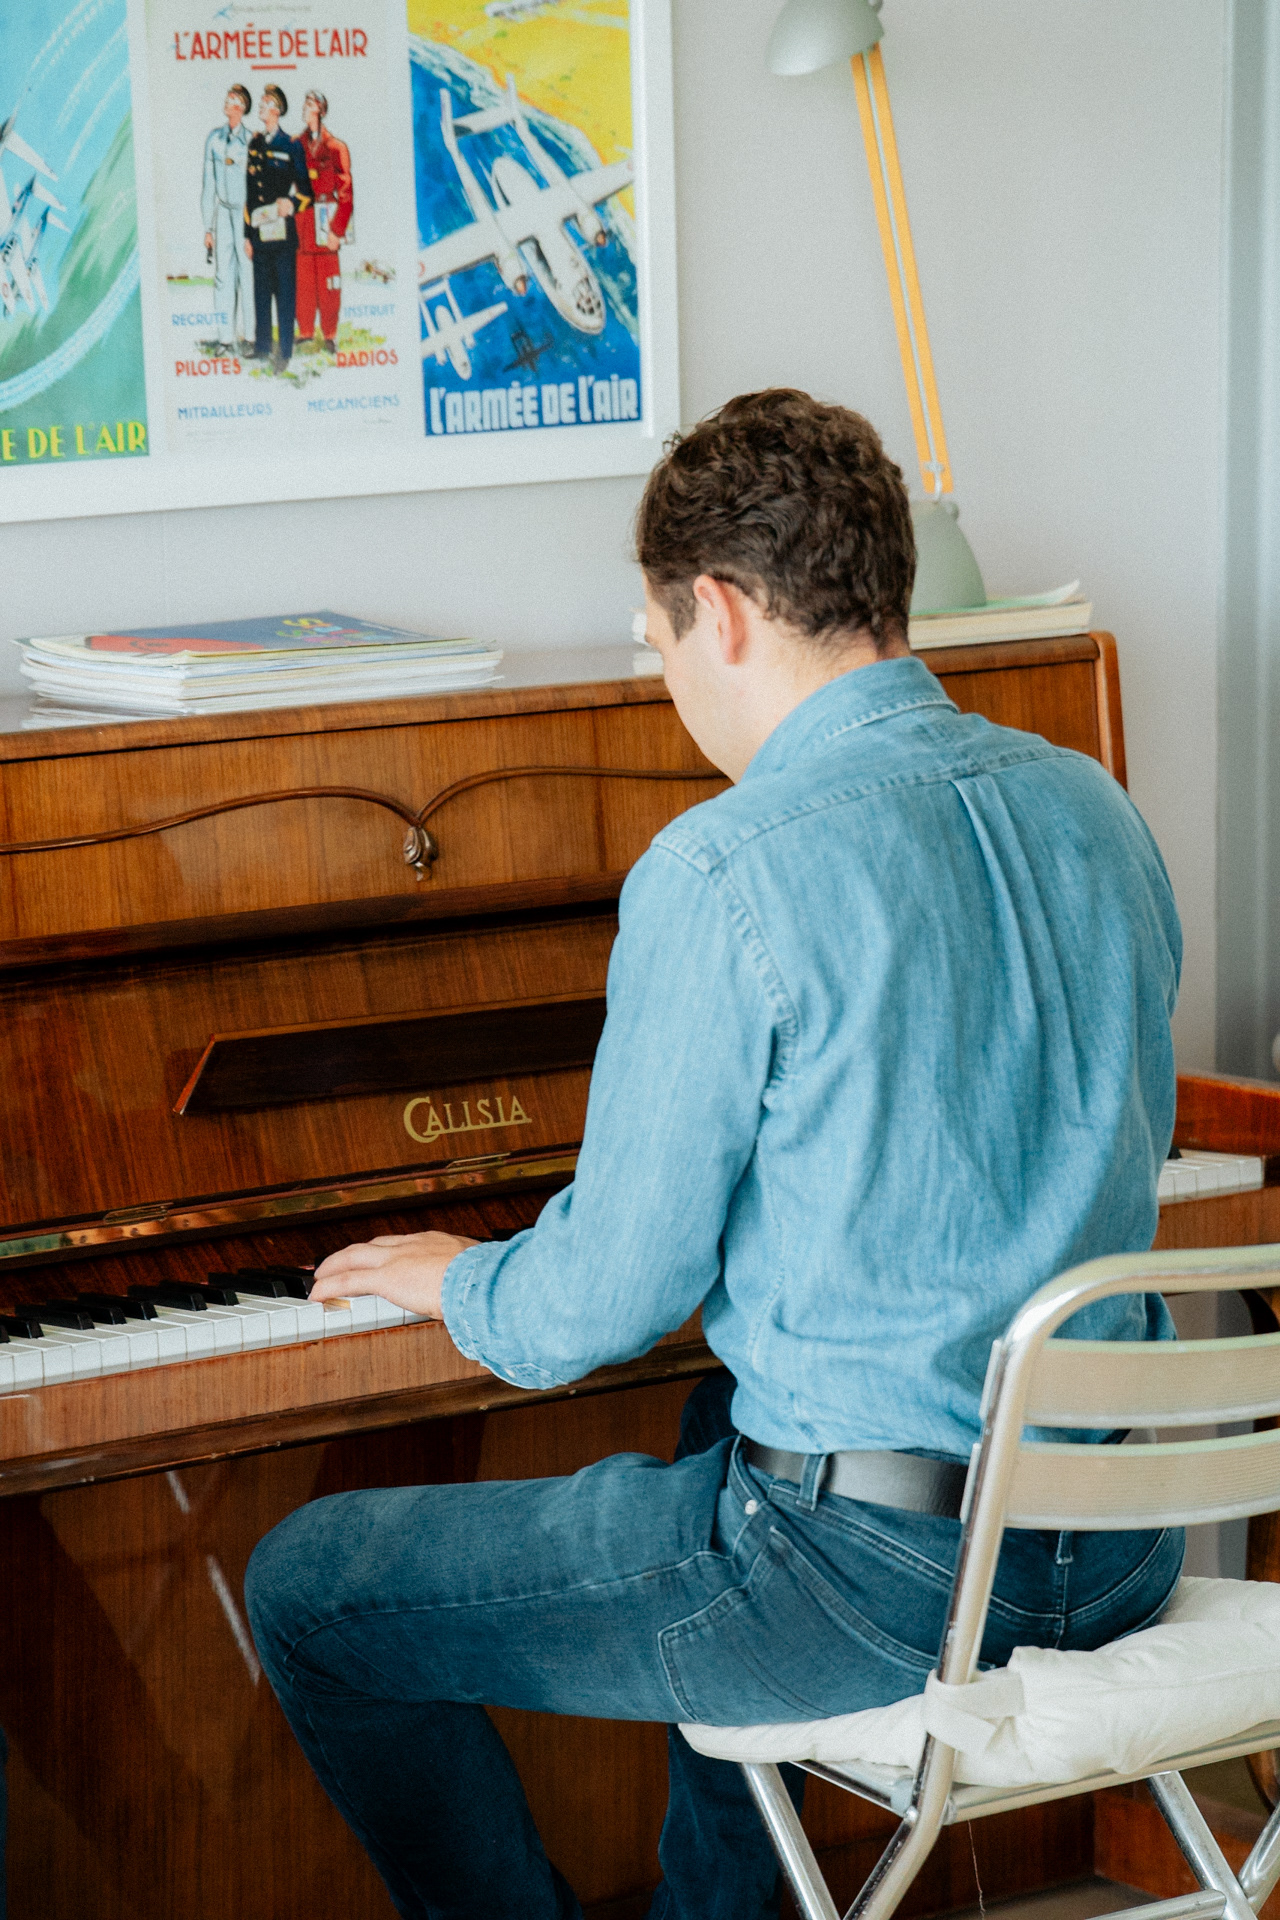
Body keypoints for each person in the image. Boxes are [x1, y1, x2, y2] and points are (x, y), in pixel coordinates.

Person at [245, 390, 1185, 1920]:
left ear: (723, 612)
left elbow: (598, 1304)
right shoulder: (1093, 808)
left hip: (878, 1589)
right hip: (1116, 1538)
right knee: (714, 1423)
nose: (668, 676)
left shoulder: (725, 866)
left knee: (309, 1590)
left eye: (657, 639)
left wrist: (461, 1277)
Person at [243, 85, 311, 370]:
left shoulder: (291, 145)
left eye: (265, 103)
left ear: (277, 110)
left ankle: (284, 352)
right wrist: (247, 235)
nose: (260, 106)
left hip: (282, 235)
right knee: (260, 294)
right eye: (260, 103)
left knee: (284, 296)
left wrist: (292, 204)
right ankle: (262, 347)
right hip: (260, 233)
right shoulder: (255, 144)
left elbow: (307, 192)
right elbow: (250, 193)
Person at [295, 90, 352, 357]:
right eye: (305, 103)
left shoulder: (336, 148)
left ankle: (330, 335)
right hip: (303, 222)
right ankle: (305, 332)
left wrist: (337, 231)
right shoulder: (295, 145)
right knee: (303, 281)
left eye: (309, 104)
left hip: (327, 221)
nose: (304, 108)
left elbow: (346, 193)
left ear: (320, 110)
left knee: (329, 283)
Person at [200, 83, 253, 354]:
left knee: (248, 273)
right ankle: (225, 339)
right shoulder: (214, 139)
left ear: (241, 107)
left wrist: (254, 227)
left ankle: (252, 337)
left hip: (245, 214)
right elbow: (208, 185)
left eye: (232, 99)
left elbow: (257, 187)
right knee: (223, 276)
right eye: (227, 96)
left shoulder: (252, 141)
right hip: (222, 213)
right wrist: (208, 228)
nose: (226, 101)